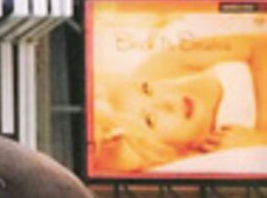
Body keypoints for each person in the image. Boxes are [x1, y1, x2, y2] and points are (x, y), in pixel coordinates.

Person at [92, 32, 267, 174]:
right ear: (158, 151)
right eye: (150, 120)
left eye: (146, 89)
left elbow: (260, 44)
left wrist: (262, 136)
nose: (167, 101)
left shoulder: (163, 62)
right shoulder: (196, 164)